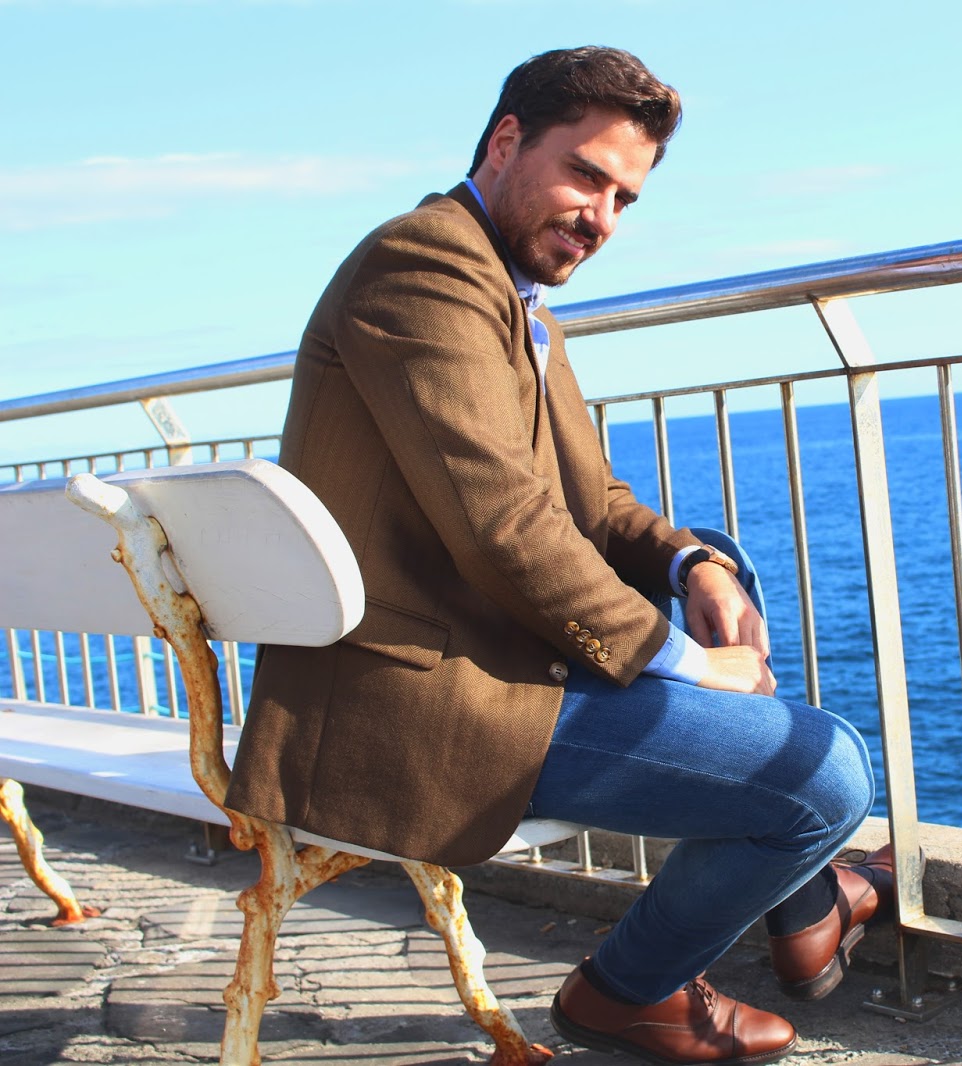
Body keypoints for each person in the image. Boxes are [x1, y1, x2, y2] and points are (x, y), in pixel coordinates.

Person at [225, 46, 895, 1066]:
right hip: (424, 702)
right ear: (506, 142)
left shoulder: (511, 294)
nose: (602, 217)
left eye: (623, 197)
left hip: (493, 658)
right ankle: (627, 990)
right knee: (827, 773)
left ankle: (803, 903)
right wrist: (684, 661)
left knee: (717, 559)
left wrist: (692, 571)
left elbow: (593, 503)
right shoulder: (422, 267)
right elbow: (505, 524)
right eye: (586, 176)